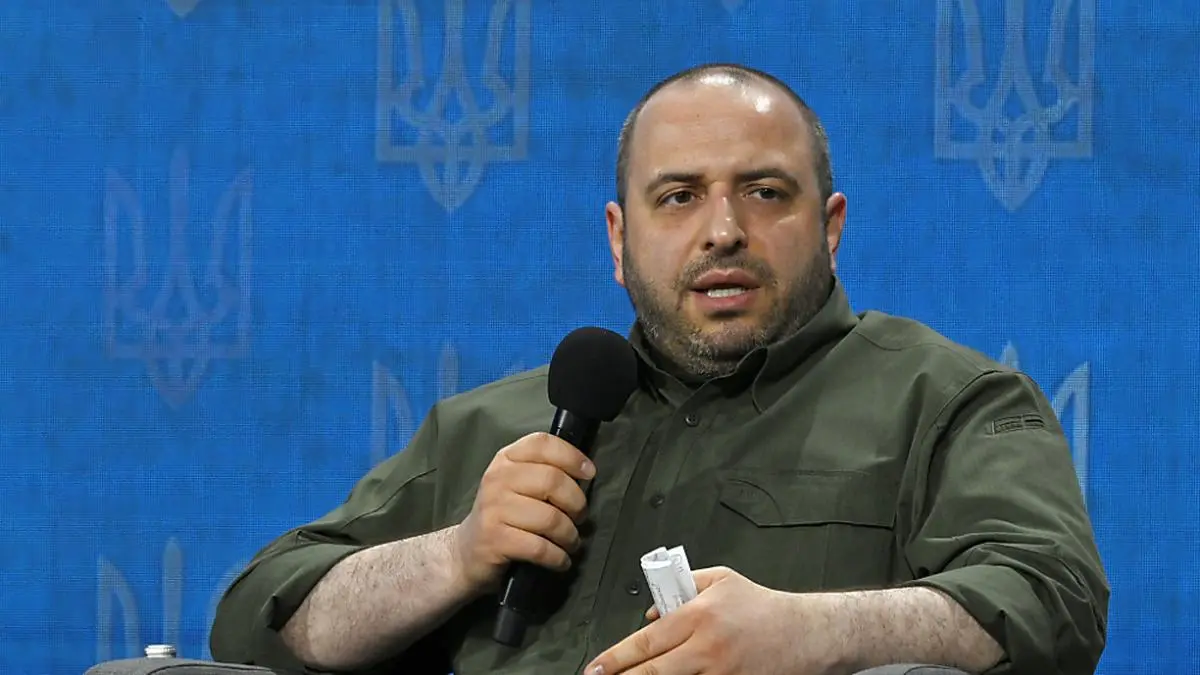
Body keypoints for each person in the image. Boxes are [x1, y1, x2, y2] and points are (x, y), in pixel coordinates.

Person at [210, 63, 1109, 675]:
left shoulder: (946, 400)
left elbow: (1050, 600)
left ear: (831, 226)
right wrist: (455, 553)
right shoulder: (493, 430)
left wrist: (806, 634)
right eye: (678, 197)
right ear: (619, 239)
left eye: (764, 192)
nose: (723, 230)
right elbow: (259, 616)